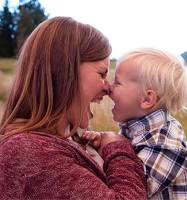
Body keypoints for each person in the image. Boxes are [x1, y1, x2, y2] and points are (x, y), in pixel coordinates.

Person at [0, 17, 147, 200]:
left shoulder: (47, 144)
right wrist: (116, 148)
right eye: (101, 73)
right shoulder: (30, 153)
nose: (107, 87)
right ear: (65, 72)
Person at [83, 48, 187, 199]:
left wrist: (110, 146)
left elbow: (133, 185)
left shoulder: (164, 144)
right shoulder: (140, 131)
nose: (109, 87)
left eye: (117, 82)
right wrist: (102, 146)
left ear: (147, 99)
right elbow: (124, 162)